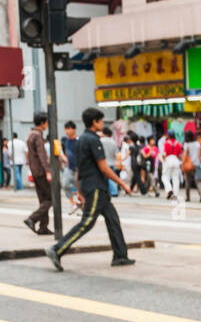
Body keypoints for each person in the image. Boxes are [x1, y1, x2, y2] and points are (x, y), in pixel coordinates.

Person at [45, 107, 135, 272]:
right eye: (100, 120)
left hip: (91, 187)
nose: (102, 123)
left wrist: (79, 191)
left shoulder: (80, 141)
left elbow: (78, 169)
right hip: (95, 188)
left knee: (112, 219)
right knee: (87, 222)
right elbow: (103, 168)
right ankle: (57, 249)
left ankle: (120, 255)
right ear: (94, 122)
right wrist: (122, 184)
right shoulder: (93, 140)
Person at [23, 112, 52, 235]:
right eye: (46, 122)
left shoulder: (30, 134)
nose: (47, 124)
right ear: (42, 122)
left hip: (34, 171)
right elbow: (42, 155)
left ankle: (43, 227)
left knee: (43, 199)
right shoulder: (38, 136)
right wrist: (48, 171)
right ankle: (32, 218)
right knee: (51, 199)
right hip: (40, 171)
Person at [61, 121, 80, 213]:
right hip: (69, 168)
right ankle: (73, 203)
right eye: (66, 129)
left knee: (80, 188)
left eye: (69, 128)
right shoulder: (66, 141)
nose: (67, 131)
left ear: (74, 129)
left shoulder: (78, 141)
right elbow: (66, 152)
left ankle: (81, 205)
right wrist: (64, 158)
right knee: (65, 184)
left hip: (79, 169)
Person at [183, 130, 201, 203]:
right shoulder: (197, 144)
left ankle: (187, 197)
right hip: (197, 164)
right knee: (198, 180)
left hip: (188, 165)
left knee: (188, 181)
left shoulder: (186, 144)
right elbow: (200, 156)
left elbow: (184, 155)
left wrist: (182, 164)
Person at [161, 130, 183, 199]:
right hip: (176, 160)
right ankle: (175, 194)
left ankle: (169, 189)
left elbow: (164, 154)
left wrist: (163, 159)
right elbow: (180, 155)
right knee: (175, 178)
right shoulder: (178, 143)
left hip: (168, 160)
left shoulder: (166, 143)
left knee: (165, 177)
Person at [101, 125, 121, 197]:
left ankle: (114, 191)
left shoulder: (101, 141)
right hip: (112, 163)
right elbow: (117, 154)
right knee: (111, 177)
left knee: (107, 178)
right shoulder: (114, 142)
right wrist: (118, 162)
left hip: (104, 163)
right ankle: (111, 191)